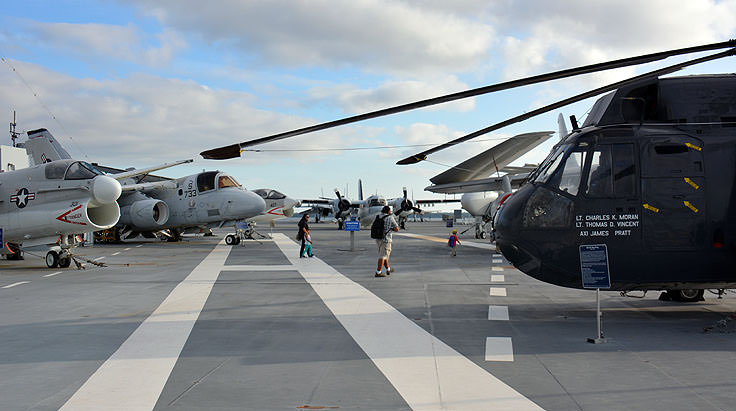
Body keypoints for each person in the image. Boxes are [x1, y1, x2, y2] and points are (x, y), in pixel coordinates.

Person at [375, 205, 399, 277]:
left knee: (383, 255)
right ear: (389, 211)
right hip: (386, 239)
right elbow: (397, 229)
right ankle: (378, 272)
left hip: (378, 238)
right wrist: (391, 228)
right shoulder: (390, 218)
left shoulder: (378, 216)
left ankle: (388, 269)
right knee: (383, 256)